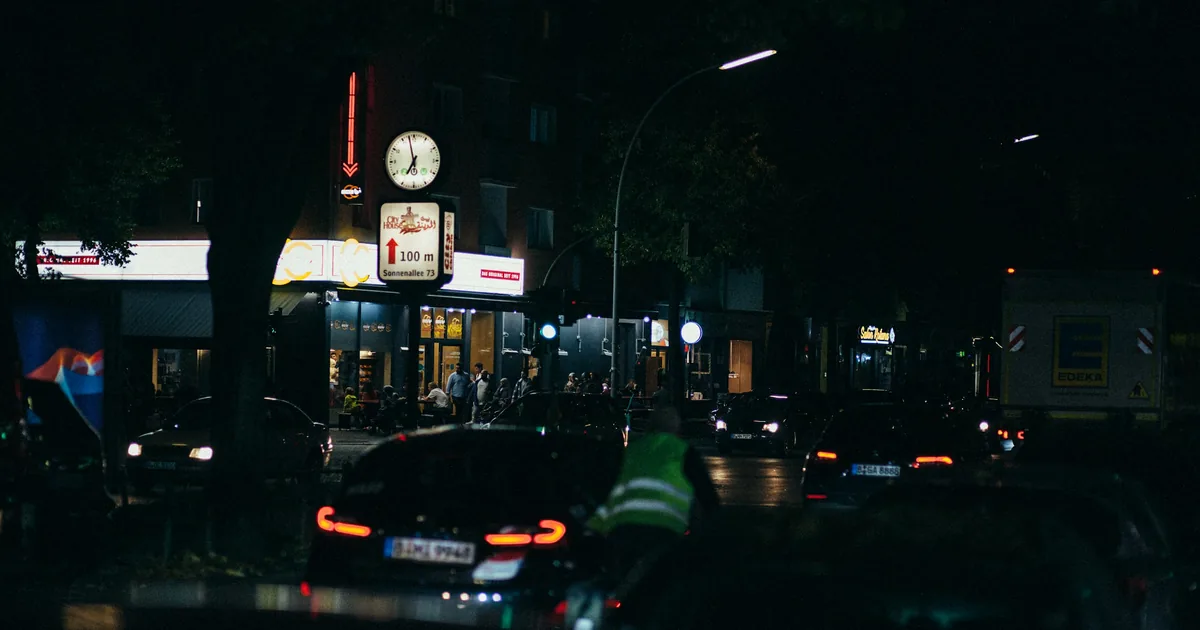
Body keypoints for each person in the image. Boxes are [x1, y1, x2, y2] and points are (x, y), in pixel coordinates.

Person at [586, 405, 720, 580]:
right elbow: (708, 497)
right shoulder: (684, 452)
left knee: (623, 582)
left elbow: (608, 488)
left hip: (624, 529)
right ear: (676, 427)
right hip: (665, 531)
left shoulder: (632, 450)